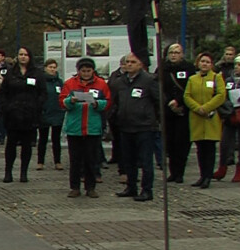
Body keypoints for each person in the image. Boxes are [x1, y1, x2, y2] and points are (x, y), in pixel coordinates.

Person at [109, 53, 159, 201]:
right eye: (127, 62)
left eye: (133, 62)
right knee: (128, 160)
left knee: (145, 161)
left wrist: (152, 119)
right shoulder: (120, 82)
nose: (129, 64)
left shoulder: (149, 80)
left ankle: (147, 190)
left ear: (140, 64)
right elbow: (116, 101)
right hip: (125, 126)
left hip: (144, 127)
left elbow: (159, 101)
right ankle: (131, 187)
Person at [59, 58, 110, 198]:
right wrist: (71, 101)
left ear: (93, 70)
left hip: (92, 128)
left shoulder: (101, 84)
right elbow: (62, 102)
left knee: (91, 160)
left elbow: (107, 102)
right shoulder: (70, 83)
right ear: (78, 71)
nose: (86, 73)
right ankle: (74, 187)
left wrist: (97, 104)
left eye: (88, 71)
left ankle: (91, 187)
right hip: (75, 127)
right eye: (83, 71)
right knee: (75, 160)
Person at [0, 47, 45, 183]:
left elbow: (42, 93)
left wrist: (37, 106)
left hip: (29, 114)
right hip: (13, 114)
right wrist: (6, 107)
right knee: (11, 144)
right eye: (20, 54)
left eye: (25, 55)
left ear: (30, 57)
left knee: (27, 145)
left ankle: (23, 172)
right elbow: (3, 92)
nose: (23, 57)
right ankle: (8, 172)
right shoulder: (11, 73)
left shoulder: (37, 73)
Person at [183, 52, 226, 189]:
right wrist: (197, 108)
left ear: (211, 64)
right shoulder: (192, 79)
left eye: (207, 62)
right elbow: (187, 96)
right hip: (197, 117)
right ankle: (202, 175)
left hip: (210, 118)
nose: (205, 64)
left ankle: (208, 176)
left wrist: (206, 108)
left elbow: (221, 95)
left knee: (209, 148)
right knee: (200, 149)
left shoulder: (216, 78)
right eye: (202, 61)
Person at [214, 54, 240, 183]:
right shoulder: (229, 80)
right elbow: (222, 95)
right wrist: (226, 104)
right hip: (230, 114)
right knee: (225, 143)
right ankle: (222, 167)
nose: (237, 67)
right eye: (236, 64)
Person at [161, 43, 195, 183]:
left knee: (182, 143)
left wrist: (179, 102)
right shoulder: (163, 69)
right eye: (171, 52)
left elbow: (190, 88)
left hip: (183, 110)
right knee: (170, 144)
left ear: (182, 54)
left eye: (177, 52)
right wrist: (169, 102)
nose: (174, 55)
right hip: (168, 110)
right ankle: (172, 172)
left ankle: (180, 172)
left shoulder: (189, 69)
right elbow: (159, 88)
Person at [37, 58, 64, 171]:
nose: (52, 69)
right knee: (43, 138)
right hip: (44, 112)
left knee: (56, 139)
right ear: (45, 68)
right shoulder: (41, 81)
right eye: (50, 67)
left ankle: (57, 161)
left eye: (54, 67)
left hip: (57, 113)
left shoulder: (59, 82)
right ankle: (40, 161)